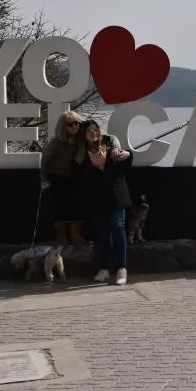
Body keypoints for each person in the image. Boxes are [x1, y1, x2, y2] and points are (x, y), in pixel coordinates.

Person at [72, 119, 134, 285]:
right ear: (83, 135)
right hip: (97, 199)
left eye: (96, 130)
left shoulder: (109, 145)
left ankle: (122, 269)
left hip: (116, 196)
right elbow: (80, 177)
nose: (94, 133)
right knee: (104, 233)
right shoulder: (80, 154)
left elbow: (124, 165)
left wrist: (127, 154)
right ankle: (104, 269)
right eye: (89, 131)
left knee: (118, 228)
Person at [40, 110, 86, 245]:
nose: (75, 127)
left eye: (77, 123)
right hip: (58, 178)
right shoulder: (56, 143)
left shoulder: (79, 142)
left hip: (74, 178)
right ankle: (61, 235)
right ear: (63, 127)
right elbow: (45, 161)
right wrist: (44, 178)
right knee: (60, 207)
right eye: (70, 124)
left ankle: (75, 234)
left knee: (76, 206)